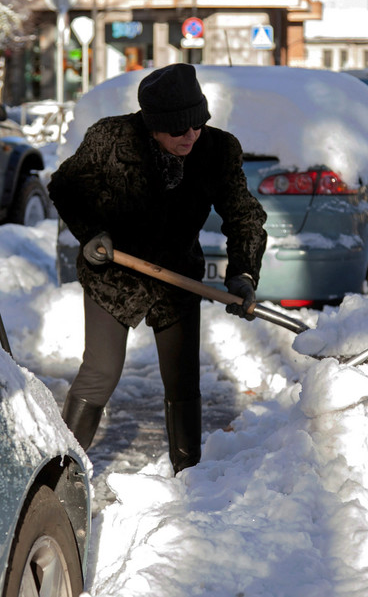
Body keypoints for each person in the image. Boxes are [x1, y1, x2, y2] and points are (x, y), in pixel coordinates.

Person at [48, 63, 268, 474]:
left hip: (177, 276)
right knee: (101, 372)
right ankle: (61, 471)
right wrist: (92, 232)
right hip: (112, 275)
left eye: (197, 126)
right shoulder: (110, 139)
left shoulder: (217, 150)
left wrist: (244, 273)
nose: (191, 137)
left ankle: (189, 477)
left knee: (183, 380)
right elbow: (65, 186)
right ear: (154, 125)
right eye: (178, 130)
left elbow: (244, 216)